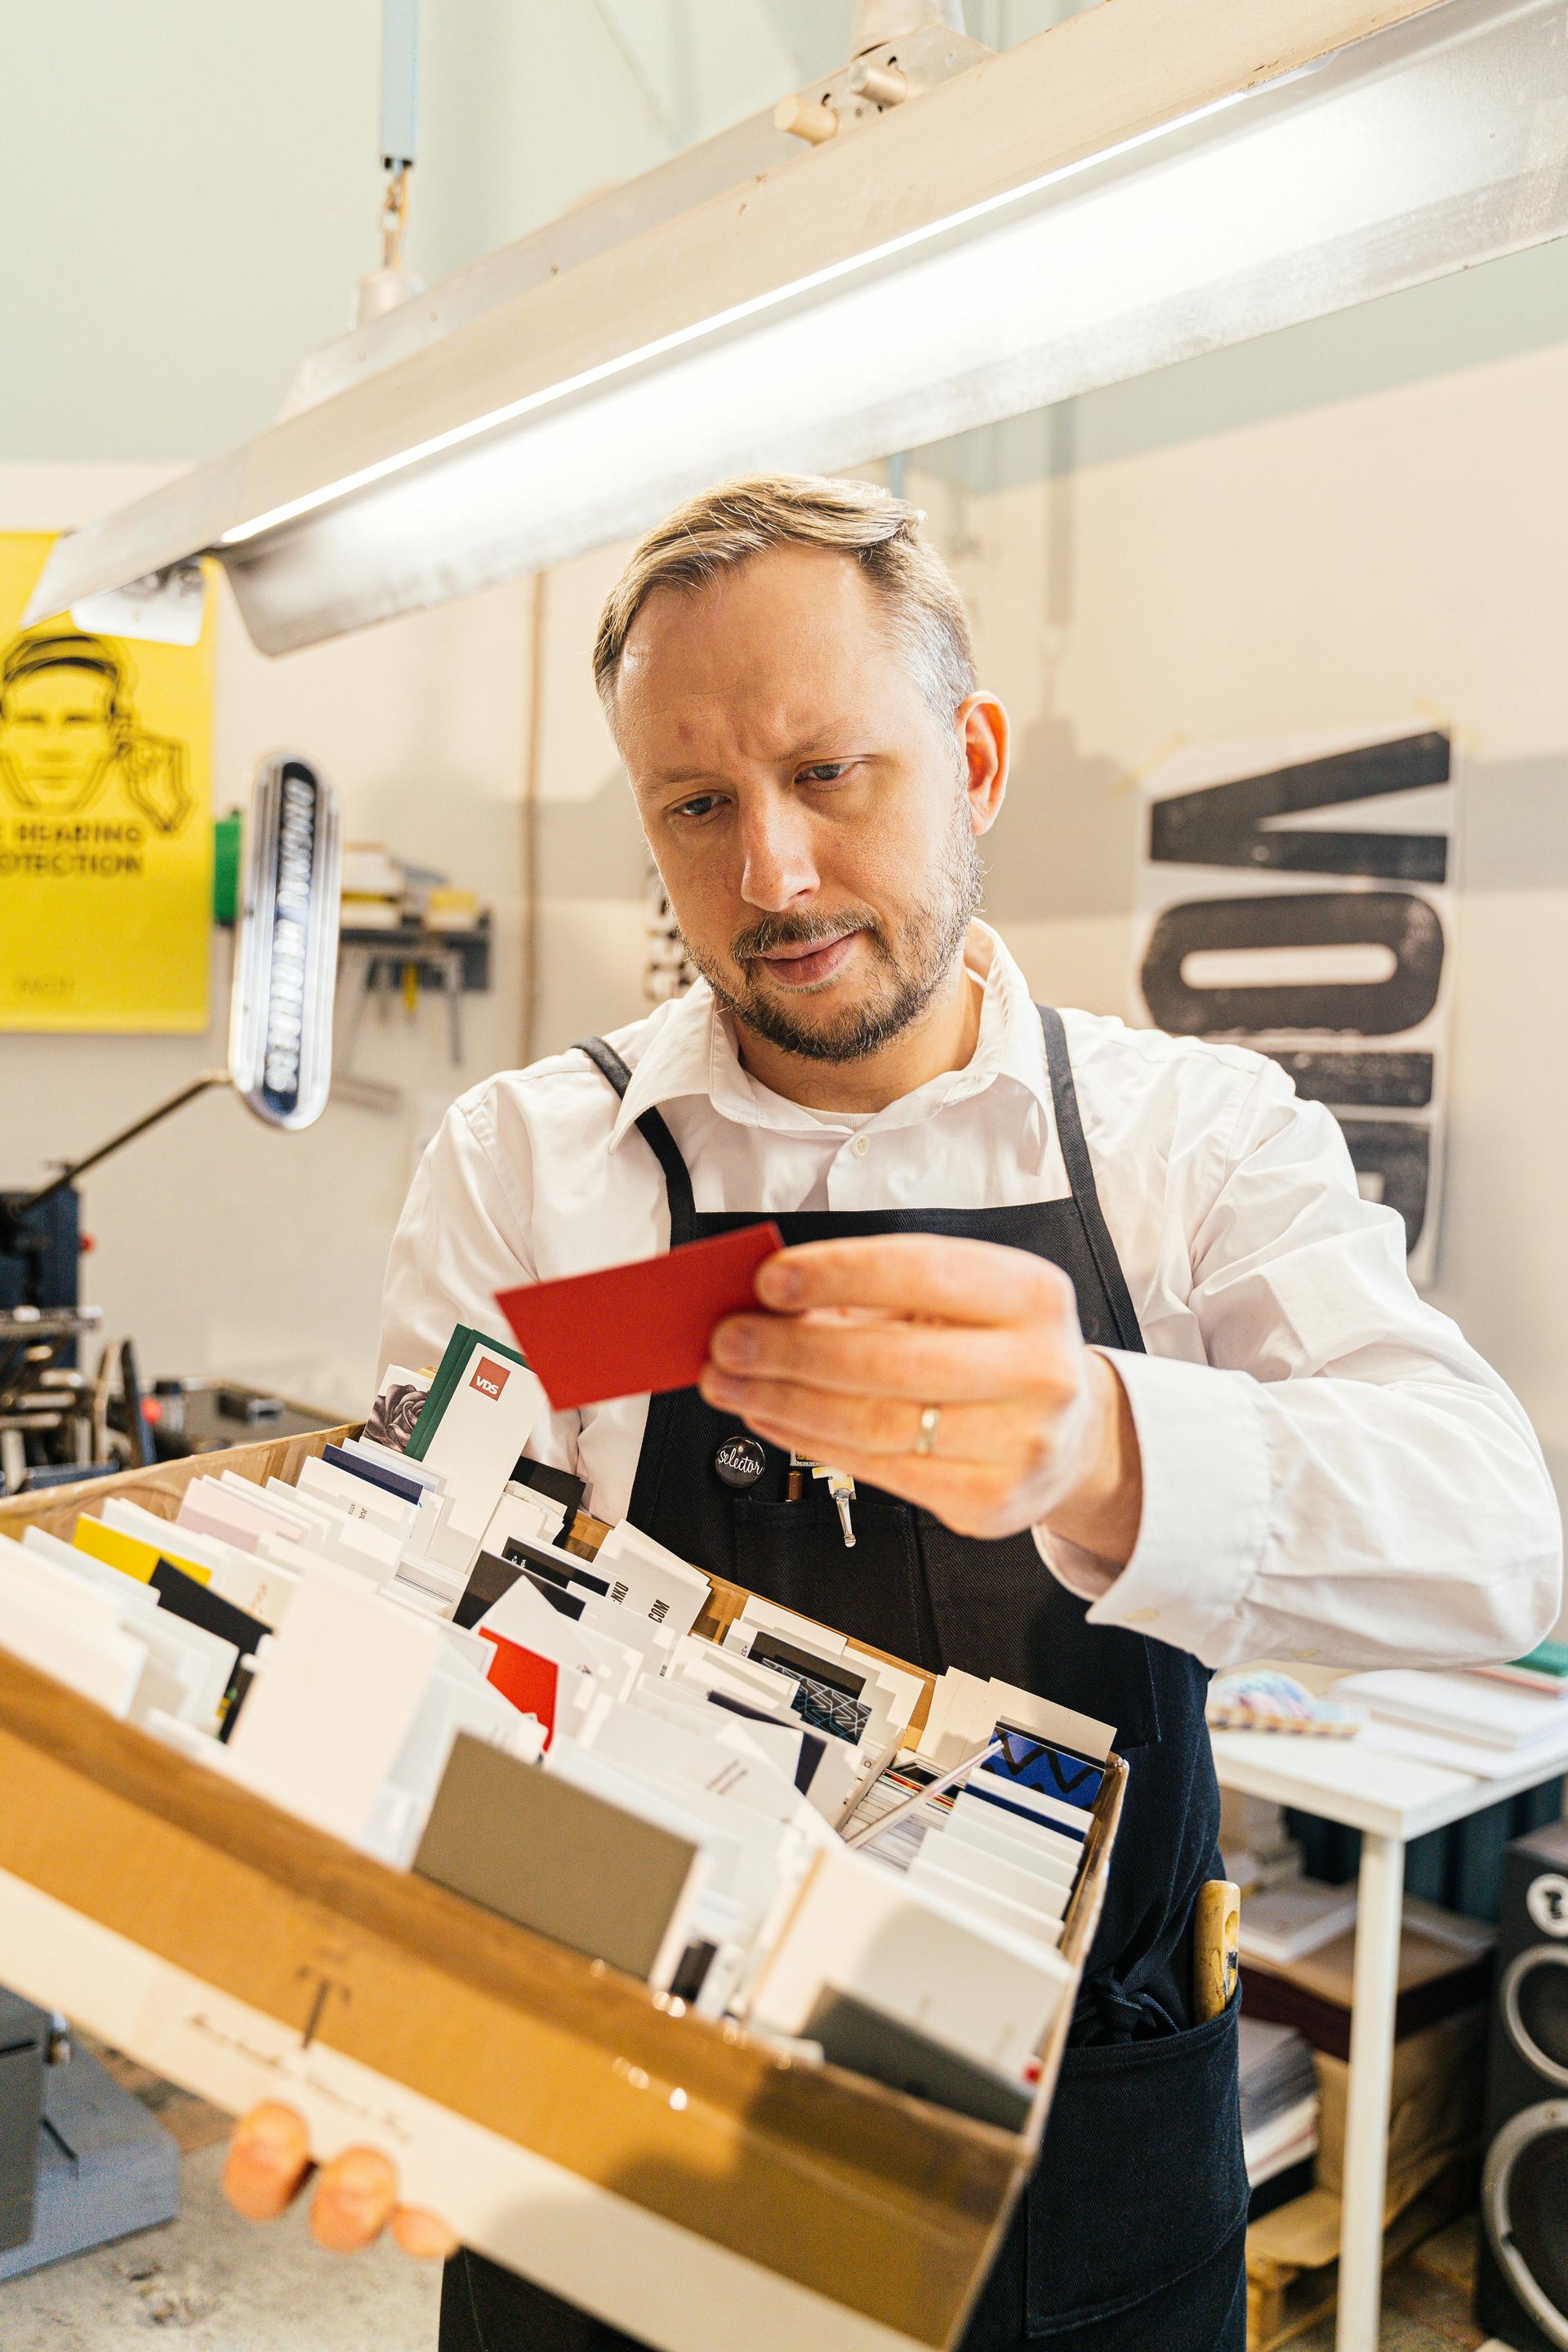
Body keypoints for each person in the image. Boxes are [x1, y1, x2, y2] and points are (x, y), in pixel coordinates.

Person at [222, 474, 1562, 2350]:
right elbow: (416, 1613)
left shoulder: (1195, 1146)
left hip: (1077, 2151)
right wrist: (336, 1979)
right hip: (606, 2105)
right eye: (697, 805)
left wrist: (1102, 1442)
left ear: (979, 759)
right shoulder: (537, 1168)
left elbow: (1496, 1538)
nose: (768, 874)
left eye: (834, 773)